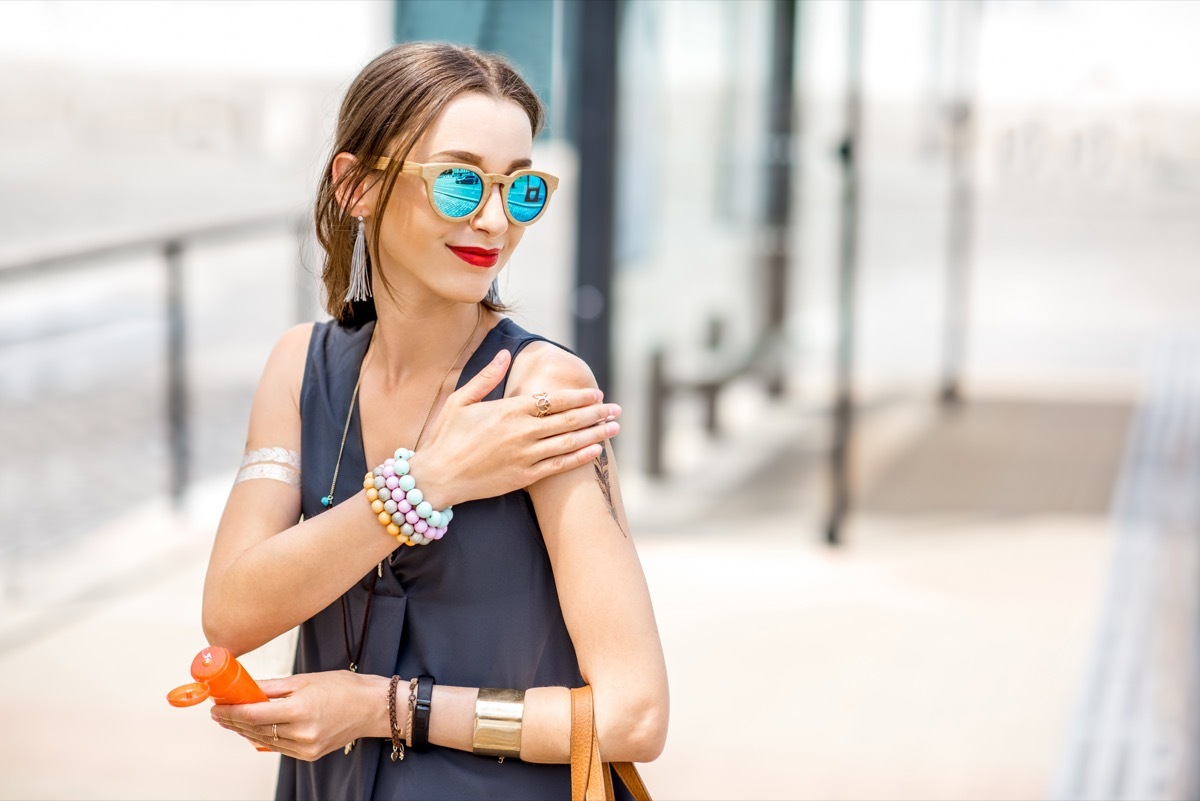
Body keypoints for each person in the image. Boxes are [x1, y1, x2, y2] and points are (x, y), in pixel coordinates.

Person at [202, 42, 669, 800]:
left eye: (520, 190)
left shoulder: (540, 389)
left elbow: (634, 712)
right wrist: (426, 482)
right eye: (459, 181)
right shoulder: (300, 368)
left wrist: (384, 707)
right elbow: (231, 613)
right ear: (354, 185)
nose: (493, 220)